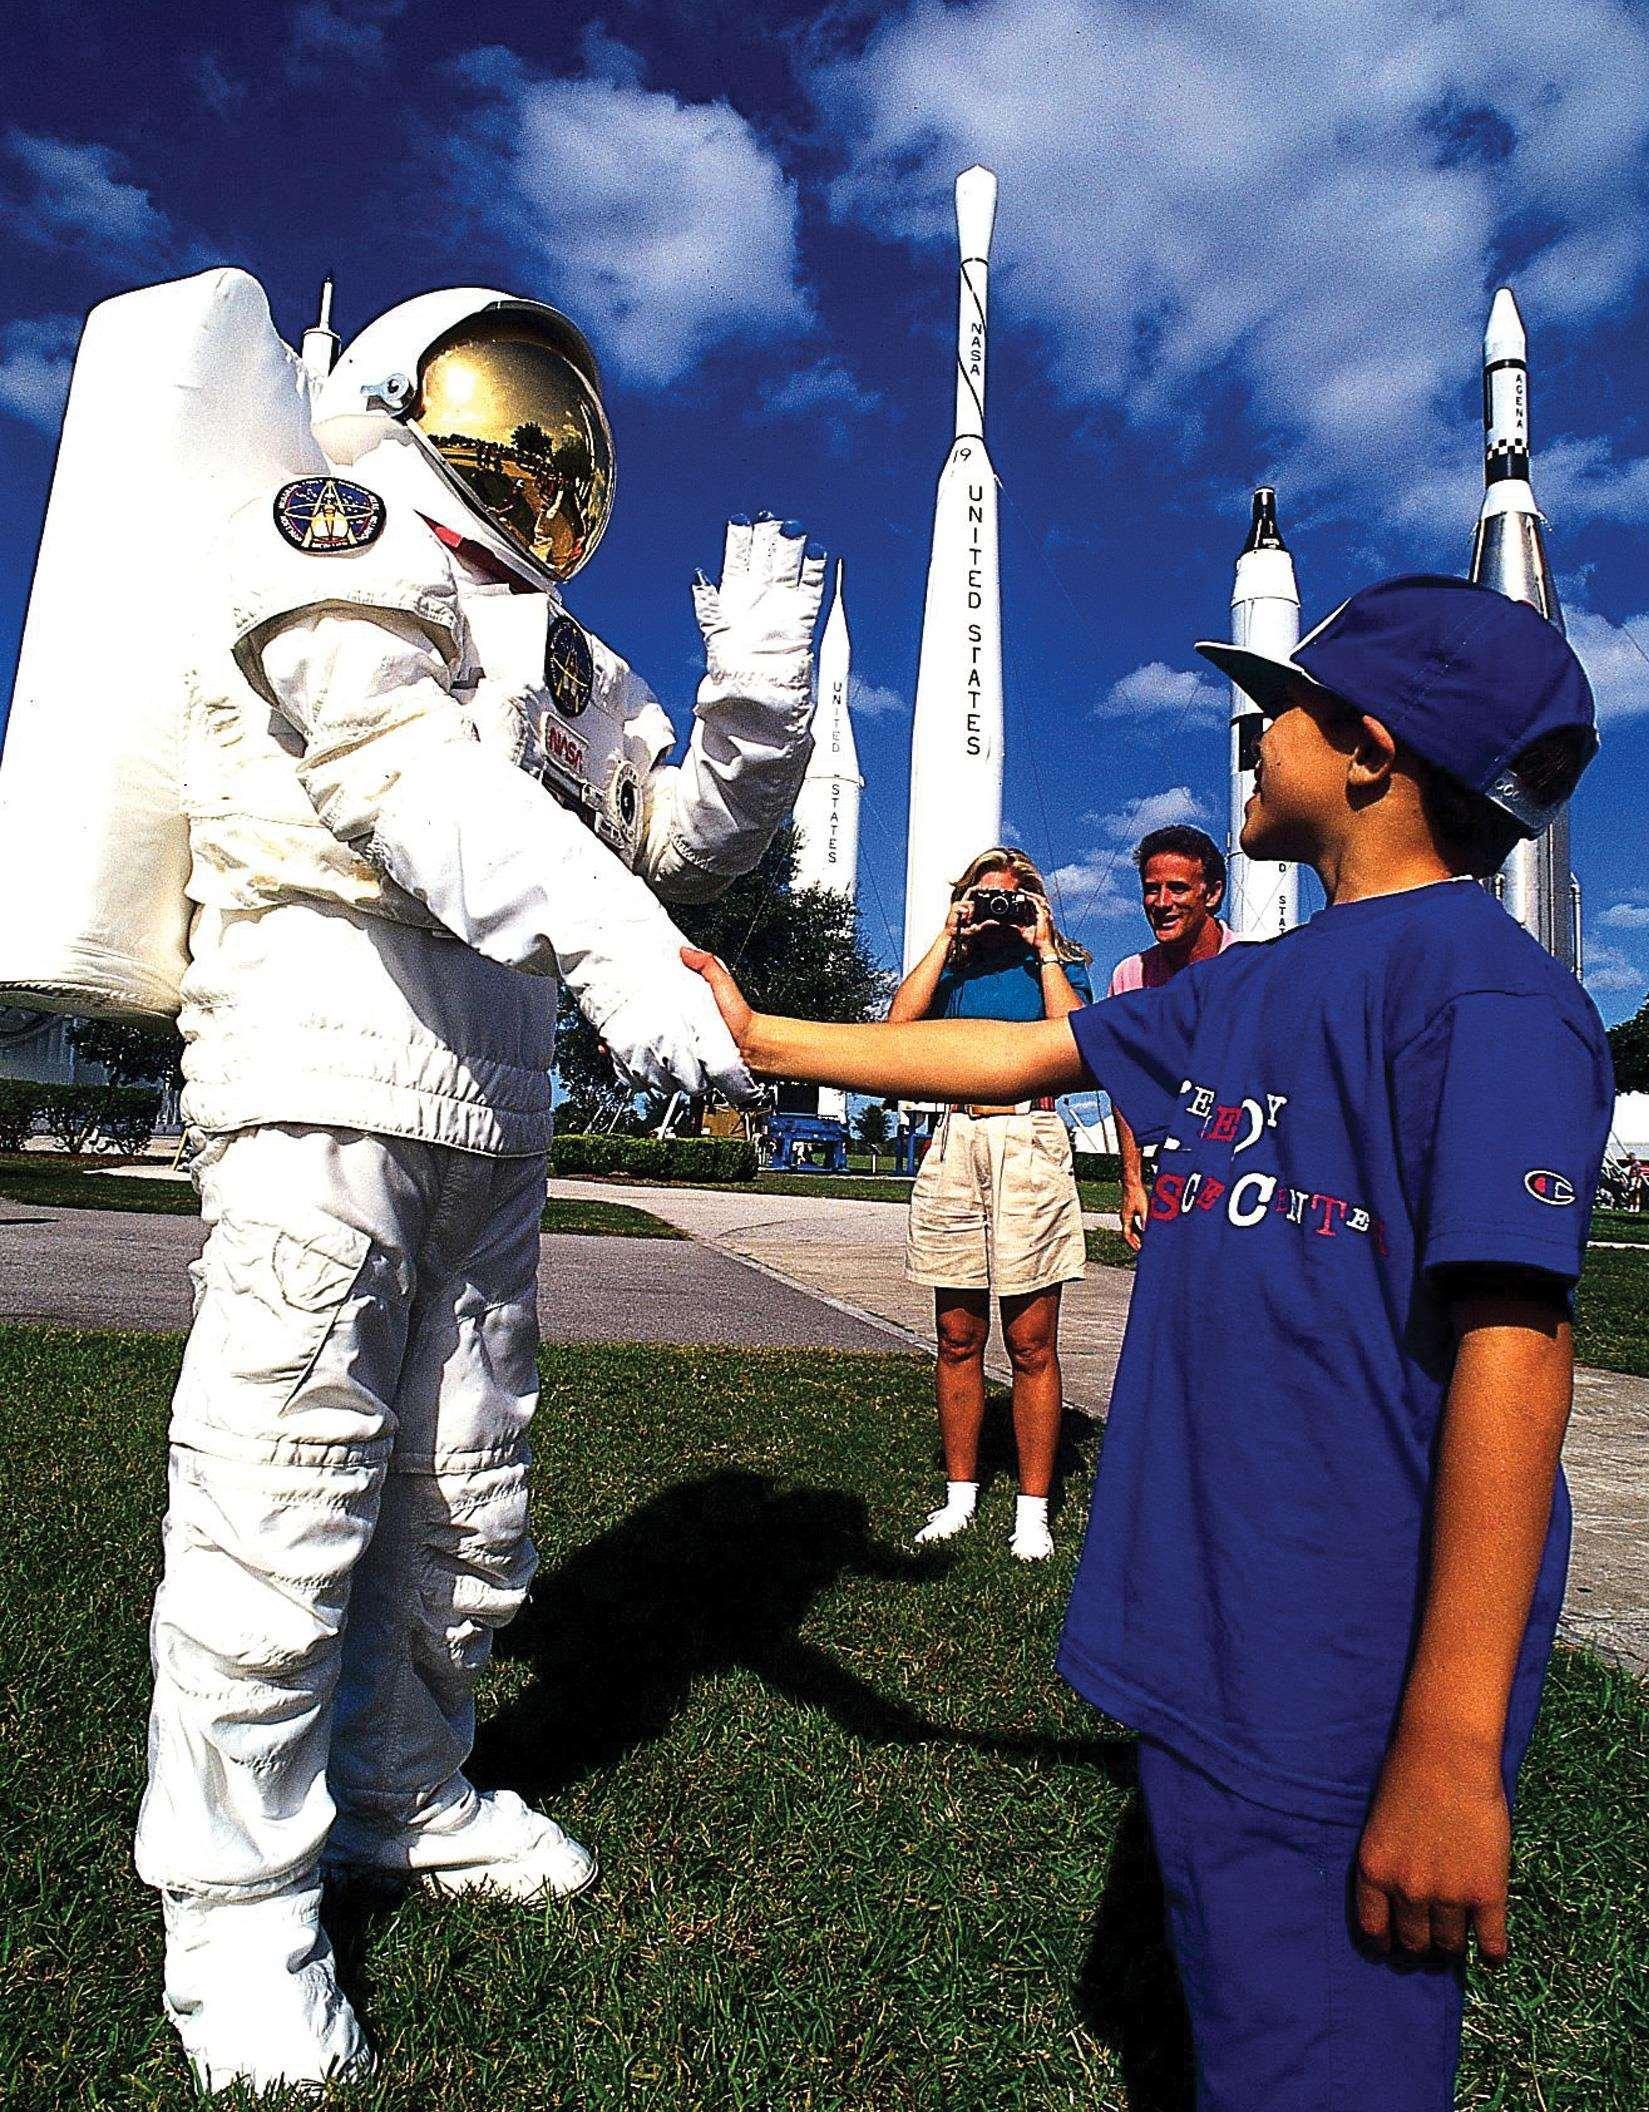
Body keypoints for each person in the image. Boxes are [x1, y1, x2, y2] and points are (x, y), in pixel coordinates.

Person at [686, 575, 1611, 2110]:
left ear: (1370, 754)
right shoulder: (1242, 986)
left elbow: (1515, 1350)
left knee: (1327, 2060)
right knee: (1235, 2009)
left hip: (1342, 1668)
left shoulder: (1494, 999)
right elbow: (1011, 1048)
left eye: (1281, 713)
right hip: (1207, 1630)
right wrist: (768, 1036)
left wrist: (1447, 1744)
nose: (1252, 736)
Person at [126, 285, 823, 2093]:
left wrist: (758, 705)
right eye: (513, 417)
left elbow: (679, 842)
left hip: (491, 1099)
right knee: (283, 1487)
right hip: (324, 1060)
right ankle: (235, 1901)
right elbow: (395, 769)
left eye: (560, 433)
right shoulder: (332, 531)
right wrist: (613, 947)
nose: (541, 459)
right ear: (393, 398)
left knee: (463, 1484)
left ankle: (402, 1788)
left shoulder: (570, 664)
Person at [889, 848, 1092, 1560]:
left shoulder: (1056, 968)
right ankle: (959, 1496)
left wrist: (1041, 948)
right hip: (957, 1135)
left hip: (1028, 1137)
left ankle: (1032, 1511)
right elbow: (896, 1032)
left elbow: (1080, 1046)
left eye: (1011, 898)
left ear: (1033, 901)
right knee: (956, 1337)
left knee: (1031, 1342)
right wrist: (949, 936)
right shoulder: (955, 969)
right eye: (986, 897)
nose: (997, 911)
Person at [1108, 826, 1240, 1247]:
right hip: (1173, 1168)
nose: (1162, 903)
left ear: (1212, 893)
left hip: (1245, 1166)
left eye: (1178, 888)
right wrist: (1132, 1179)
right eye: (1152, 889)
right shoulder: (1131, 976)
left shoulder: (1252, 967)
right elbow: (1124, 1084)